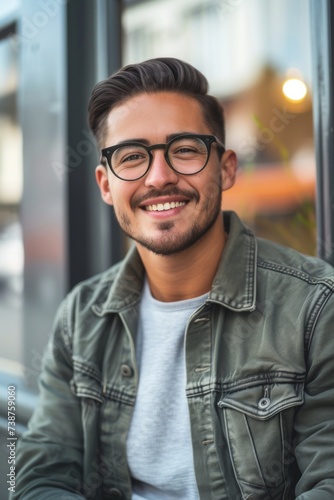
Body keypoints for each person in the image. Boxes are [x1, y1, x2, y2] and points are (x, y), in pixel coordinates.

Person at [12, 57, 334, 500]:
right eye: (132, 157)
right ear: (106, 185)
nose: (159, 177)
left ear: (225, 168)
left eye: (184, 149)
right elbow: (40, 477)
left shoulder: (316, 308)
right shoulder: (81, 316)